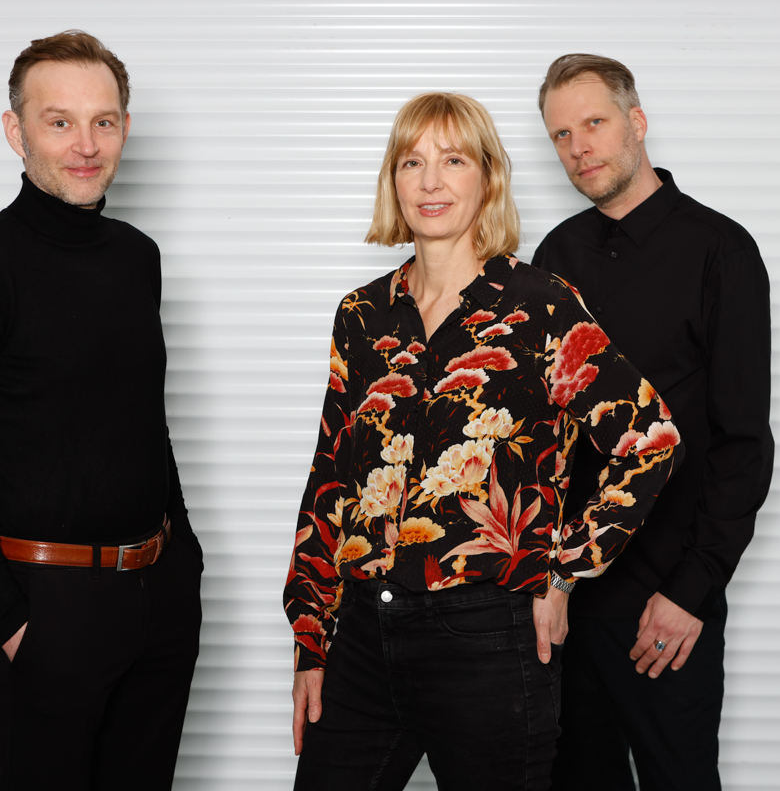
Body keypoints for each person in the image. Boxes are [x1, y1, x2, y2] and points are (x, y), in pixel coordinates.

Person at [283, 92, 684, 791]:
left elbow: (650, 440)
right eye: (412, 162)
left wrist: (564, 569)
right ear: (392, 179)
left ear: (488, 177)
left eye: (453, 160)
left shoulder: (541, 305)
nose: (430, 182)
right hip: (364, 635)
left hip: (489, 639)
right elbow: (331, 477)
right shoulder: (362, 314)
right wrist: (311, 642)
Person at [0, 30, 202, 791]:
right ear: (17, 131)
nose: (85, 145)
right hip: (47, 607)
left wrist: (184, 562)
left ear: (125, 128)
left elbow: (143, 420)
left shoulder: (138, 257)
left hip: (157, 596)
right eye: (60, 122)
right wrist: (12, 621)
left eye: (103, 121)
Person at [531, 54, 774, 790]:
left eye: (594, 123)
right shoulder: (555, 256)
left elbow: (742, 443)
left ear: (636, 123)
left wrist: (691, 591)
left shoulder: (720, 250)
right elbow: (543, 436)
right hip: (567, 597)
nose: (579, 147)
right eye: (562, 134)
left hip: (665, 600)